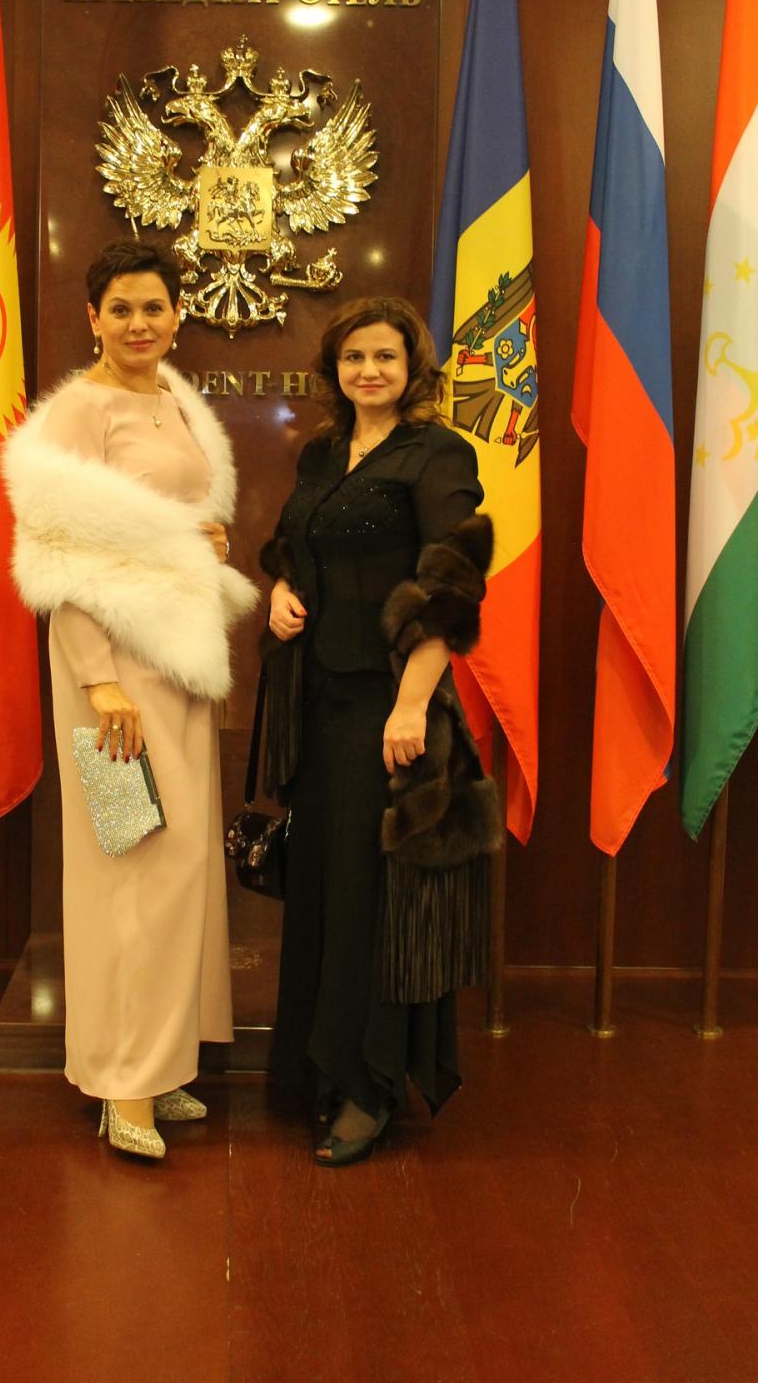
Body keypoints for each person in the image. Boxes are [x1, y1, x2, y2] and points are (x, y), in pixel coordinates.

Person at [2, 239, 257, 1160]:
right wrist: (97, 678)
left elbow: (160, 524)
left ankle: (165, 1061)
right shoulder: (80, 411)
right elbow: (58, 555)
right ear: (93, 318)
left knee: (181, 871)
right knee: (130, 875)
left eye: (154, 307)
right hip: (110, 679)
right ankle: (124, 1084)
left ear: (178, 315)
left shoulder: (177, 400)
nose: (139, 323)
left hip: (177, 668)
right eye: (122, 308)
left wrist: (202, 545)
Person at [262, 295, 501, 1167]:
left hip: (391, 707)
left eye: (386, 357)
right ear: (335, 369)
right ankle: (319, 1070)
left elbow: (452, 583)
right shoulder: (323, 452)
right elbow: (292, 546)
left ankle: (368, 1089)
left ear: (412, 369)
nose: (369, 370)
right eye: (354, 357)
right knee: (325, 886)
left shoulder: (438, 454)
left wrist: (411, 704)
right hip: (319, 703)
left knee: (372, 898)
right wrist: (280, 590)